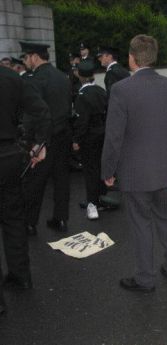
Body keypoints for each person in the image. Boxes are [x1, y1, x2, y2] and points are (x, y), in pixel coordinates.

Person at [101, 34, 167, 292]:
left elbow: (114, 136)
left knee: (141, 225)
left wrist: (108, 170)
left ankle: (145, 278)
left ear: (131, 57)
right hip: (166, 170)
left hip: (136, 173)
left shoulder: (121, 90)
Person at [1, 64, 50, 304]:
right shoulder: (12, 77)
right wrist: (38, 145)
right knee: (13, 217)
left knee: (13, 216)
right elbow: (42, 111)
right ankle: (21, 276)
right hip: (9, 156)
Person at [20, 41, 73, 234]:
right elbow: (68, 106)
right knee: (61, 180)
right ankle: (60, 220)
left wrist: (34, 142)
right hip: (63, 134)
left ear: (34, 56)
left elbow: (33, 115)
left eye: (26, 57)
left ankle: (29, 223)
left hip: (44, 139)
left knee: (35, 182)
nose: (25, 62)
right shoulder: (63, 77)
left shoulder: (34, 80)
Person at [72, 60, 107, 220]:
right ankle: (101, 198)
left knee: (90, 170)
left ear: (80, 75)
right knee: (100, 167)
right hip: (103, 134)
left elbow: (82, 121)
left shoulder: (82, 95)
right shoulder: (101, 91)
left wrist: (76, 140)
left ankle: (92, 204)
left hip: (89, 137)